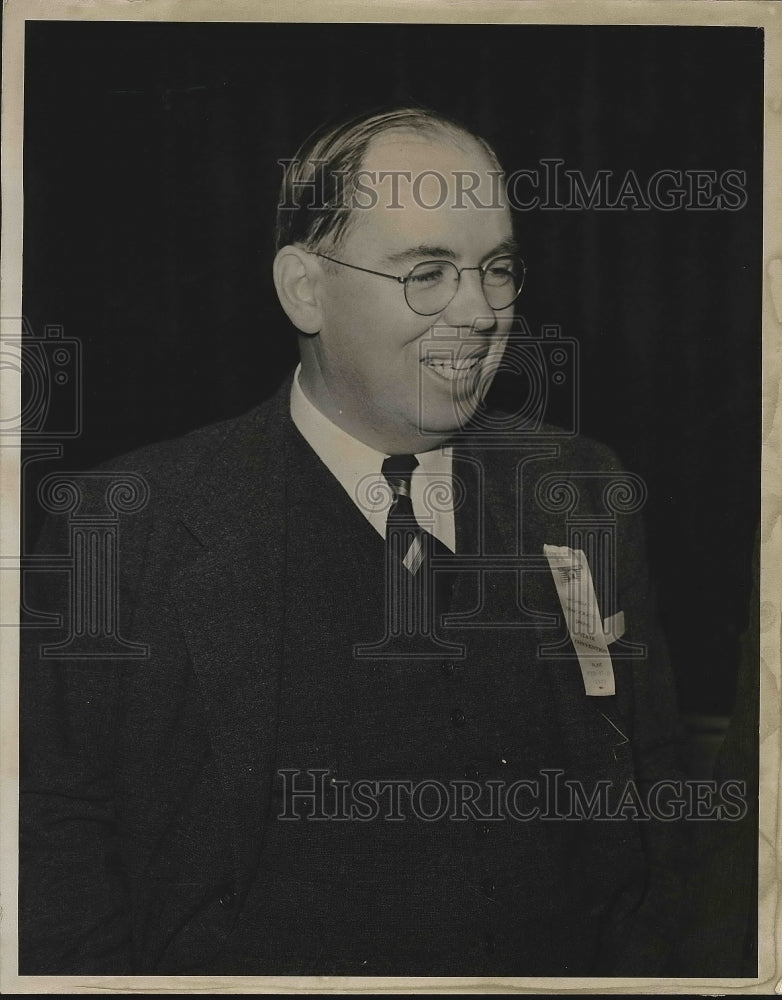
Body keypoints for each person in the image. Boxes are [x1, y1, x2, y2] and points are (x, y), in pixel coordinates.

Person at [20, 107, 688, 977]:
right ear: (304, 288)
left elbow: (658, 805)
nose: (481, 312)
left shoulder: (581, 492)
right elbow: (53, 850)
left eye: (497, 269)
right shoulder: (126, 526)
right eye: (427, 272)